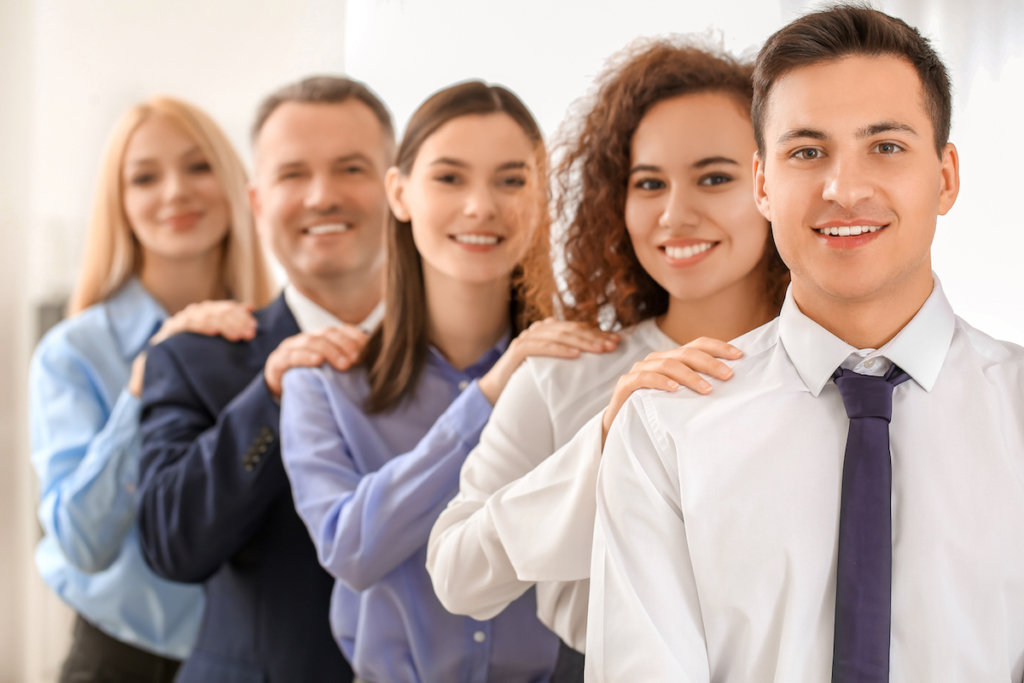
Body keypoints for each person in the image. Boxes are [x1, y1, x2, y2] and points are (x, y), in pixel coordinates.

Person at [588, 6, 1024, 681]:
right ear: (764, 182)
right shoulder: (666, 429)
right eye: (807, 151)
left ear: (946, 177)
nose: (843, 189)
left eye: (885, 146)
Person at [427, 37, 789, 682]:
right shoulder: (564, 374)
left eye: (714, 177)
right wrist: (599, 445)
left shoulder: (841, 376)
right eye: (648, 183)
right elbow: (457, 577)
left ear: (771, 185)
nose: (675, 214)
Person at [280, 81, 620, 683]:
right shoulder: (324, 382)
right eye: (450, 178)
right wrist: (488, 395)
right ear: (399, 192)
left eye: (512, 180)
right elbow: (351, 549)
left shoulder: (586, 371)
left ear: (542, 197)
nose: (481, 206)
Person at [135, 76, 393, 683]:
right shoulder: (195, 357)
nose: (322, 196)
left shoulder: (468, 357)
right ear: (256, 202)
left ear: (396, 188)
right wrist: (272, 396)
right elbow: (173, 546)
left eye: (351, 168)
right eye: (292, 175)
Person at [30, 96, 275, 683]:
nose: (175, 193)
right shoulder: (75, 353)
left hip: (249, 658)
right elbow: (84, 545)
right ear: (120, 204)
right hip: (120, 657)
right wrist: (144, 385)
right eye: (145, 177)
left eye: (198, 167)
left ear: (241, 186)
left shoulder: (278, 347)